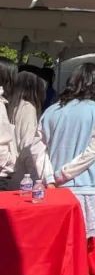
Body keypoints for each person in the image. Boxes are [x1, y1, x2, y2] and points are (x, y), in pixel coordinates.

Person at [39, 63, 95, 275]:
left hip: (56, 188)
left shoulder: (52, 111)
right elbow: (92, 151)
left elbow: (38, 147)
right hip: (83, 185)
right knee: (80, 245)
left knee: (60, 244)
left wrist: (50, 176)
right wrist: (60, 175)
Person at [0, 60, 51, 190]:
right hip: (19, 175)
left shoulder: (11, 105)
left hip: (11, 174)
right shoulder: (27, 108)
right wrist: (38, 178)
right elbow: (29, 145)